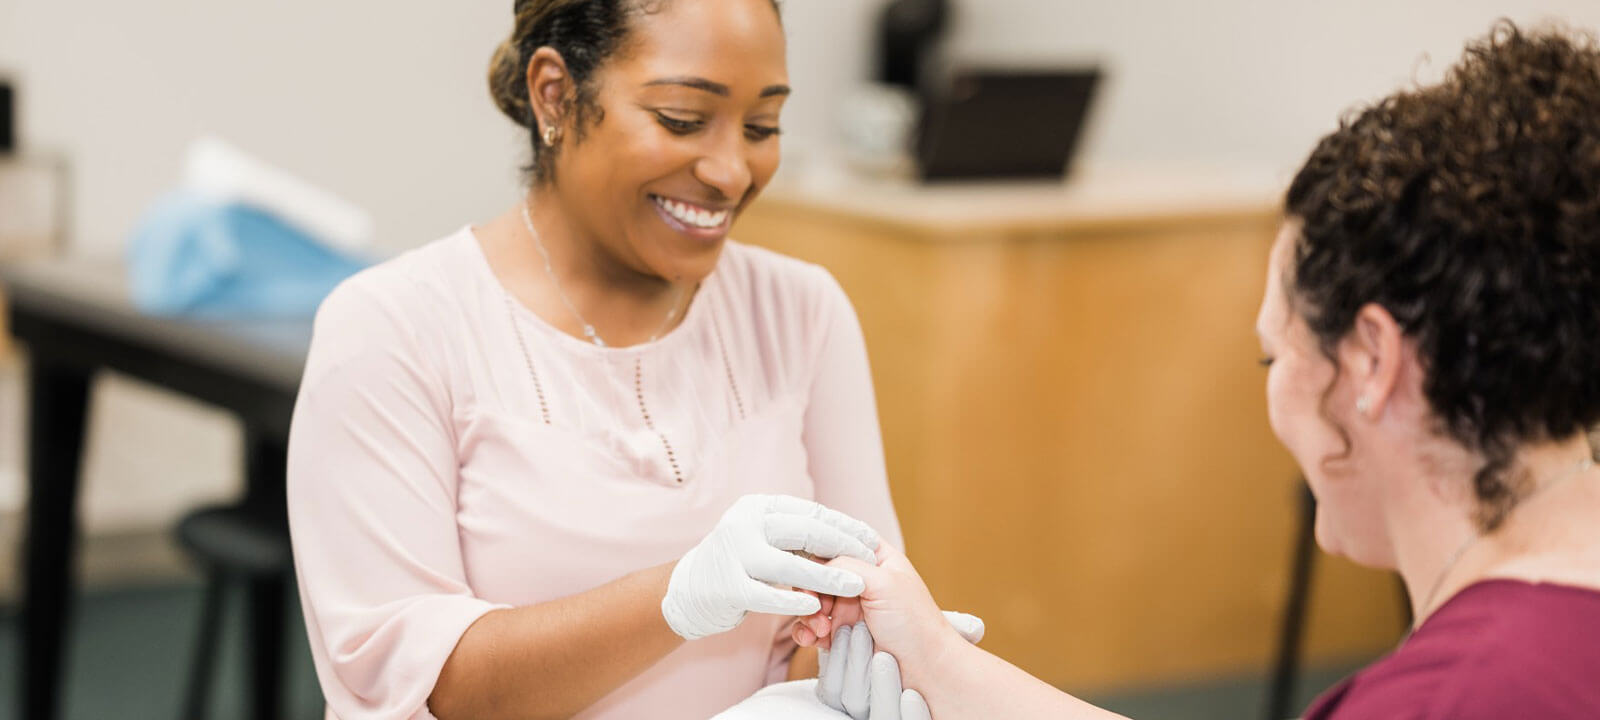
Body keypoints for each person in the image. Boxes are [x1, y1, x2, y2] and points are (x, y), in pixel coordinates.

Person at [795, 22, 1600, 720]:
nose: (1272, 392)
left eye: (1274, 356)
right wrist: (938, 662)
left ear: (1372, 362)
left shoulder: (1456, 696)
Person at [285, 1, 905, 718]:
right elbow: (424, 684)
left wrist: (860, 658)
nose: (733, 171)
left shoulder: (799, 311)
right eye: (681, 118)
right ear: (555, 94)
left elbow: (855, 604)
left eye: (763, 127)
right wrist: (678, 598)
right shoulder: (392, 329)